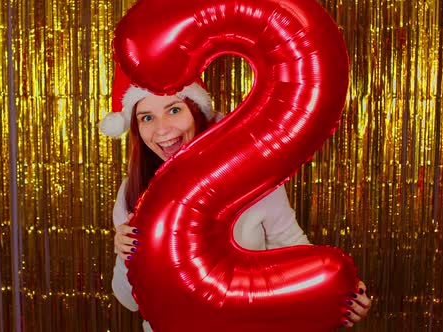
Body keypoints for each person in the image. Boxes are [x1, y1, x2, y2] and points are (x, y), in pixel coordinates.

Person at [99, 65, 372, 331]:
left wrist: (337, 292)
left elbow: (293, 245)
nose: (162, 129)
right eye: (146, 117)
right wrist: (126, 254)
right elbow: (129, 302)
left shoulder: (252, 176)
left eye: (174, 110)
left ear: (196, 111)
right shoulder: (132, 191)